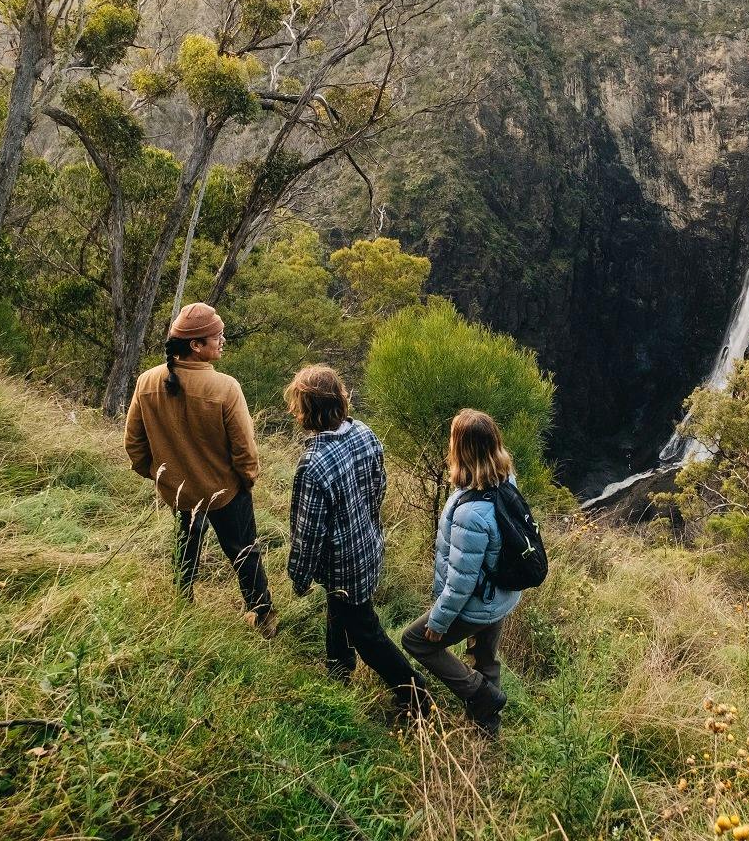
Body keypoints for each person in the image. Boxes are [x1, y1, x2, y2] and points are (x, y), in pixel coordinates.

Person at [124, 302, 277, 637]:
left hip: (180, 492)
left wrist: (162, 477)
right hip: (225, 492)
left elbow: (134, 445)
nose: (222, 342)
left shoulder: (147, 381)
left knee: (185, 544)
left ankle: (182, 603)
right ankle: (262, 616)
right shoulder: (225, 388)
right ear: (196, 345)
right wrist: (246, 480)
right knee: (243, 551)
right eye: (217, 337)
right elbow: (244, 450)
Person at [284, 364, 430, 716]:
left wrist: (299, 576)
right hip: (369, 545)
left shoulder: (313, 465)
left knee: (366, 632)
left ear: (306, 410)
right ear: (339, 400)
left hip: (343, 562)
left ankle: (416, 695)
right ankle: (338, 670)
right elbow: (379, 487)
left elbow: (309, 533)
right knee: (341, 610)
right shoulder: (365, 433)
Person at [401, 409, 519, 736]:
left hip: (478, 602)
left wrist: (439, 622)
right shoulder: (505, 479)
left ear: (461, 450)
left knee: (416, 641)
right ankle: (488, 729)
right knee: (486, 658)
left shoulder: (471, 513)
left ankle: (482, 695)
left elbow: (460, 581)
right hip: (500, 596)